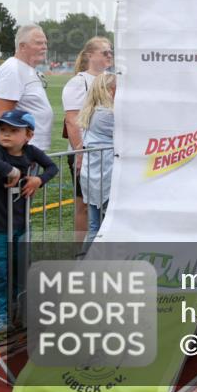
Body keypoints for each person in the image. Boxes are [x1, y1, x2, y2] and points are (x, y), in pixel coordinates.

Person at [0, 110, 58, 334]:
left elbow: (52, 167)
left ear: (28, 135)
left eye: (13, 130)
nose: (5, 134)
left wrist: (38, 179)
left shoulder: (30, 151)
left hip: (21, 223)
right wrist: (13, 171)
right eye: (2, 130)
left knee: (20, 267)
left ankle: (18, 309)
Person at [62, 37, 113, 236]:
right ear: (90, 55)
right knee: (84, 206)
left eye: (110, 52)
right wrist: (80, 153)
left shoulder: (112, 78)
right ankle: (80, 254)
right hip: (86, 153)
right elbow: (72, 121)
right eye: (104, 52)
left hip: (107, 155)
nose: (109, 55)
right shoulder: (79, 82)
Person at [0, 25, 53, 151]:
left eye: (45, 43)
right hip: (18, 155)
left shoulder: (26, 69)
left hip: (30, 151)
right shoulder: (13, 70)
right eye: (39, 43)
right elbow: (2, 115)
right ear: (22, 46)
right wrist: (11, 156)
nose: (44, 47)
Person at [78, 73, 115, 244]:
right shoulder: (106, 114)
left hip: (93, 175)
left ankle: (86, 263)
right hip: (105, 175)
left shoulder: (92, 111)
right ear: (108, 90)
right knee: (107, 226)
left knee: (94, 226)